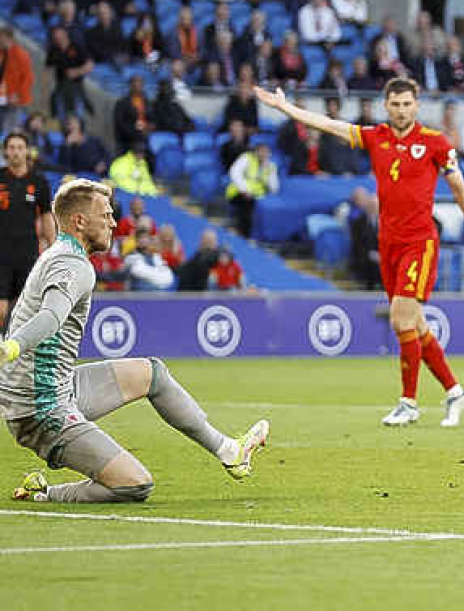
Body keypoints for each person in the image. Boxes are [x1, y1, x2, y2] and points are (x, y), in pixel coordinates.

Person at [0, 179, 269, 503]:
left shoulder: (63, 255)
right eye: (106, 215)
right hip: (40, 407)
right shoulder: (73, 264)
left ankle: (230, 451)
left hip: (58, 387)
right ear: (80, 221)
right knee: (135, 484)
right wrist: (11, 347)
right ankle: (43, 494)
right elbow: (50, 317)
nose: (114, 222)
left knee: (151, 373)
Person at [254, 78, 464, 427]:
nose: (401, 110)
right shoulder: (375, 136)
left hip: (420, 242)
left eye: (407, 104)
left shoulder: (434, 143)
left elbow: (460, 189)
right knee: (415, 324)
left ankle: (408, 403)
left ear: (416, 105)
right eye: (395, 104)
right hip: (389, 243)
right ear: (386, 106)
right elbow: (327, 125)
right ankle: (455, 391)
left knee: (400, 319)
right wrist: (285, 107)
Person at [0, 132, 54, 332]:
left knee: (25, 307)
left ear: (27, 151)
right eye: (11, 147)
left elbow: (47, 216)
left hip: (28, 254)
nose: (15, 152)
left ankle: (15, 352)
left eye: (20, 147)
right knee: (2, 310)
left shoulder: (39, 182)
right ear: (5, 151)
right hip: (2, 254)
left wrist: (54, 247)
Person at [225, 142, 279, 238]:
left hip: (259, 196)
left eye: (266, 152)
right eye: (262, 151)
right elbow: (234, 173)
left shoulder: (271, 166)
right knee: (247, 204)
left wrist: (266, 172)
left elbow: (274, 188)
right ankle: (244, 234)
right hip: (239, 192)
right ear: (256, 151)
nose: (264, 154)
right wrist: (244, 190)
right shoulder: (246, 158)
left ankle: (264, 236)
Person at [0, 26, 34, 134]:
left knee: (9, 128)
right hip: (2, 96)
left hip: (14, 98)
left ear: (9, 38)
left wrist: (18, 95)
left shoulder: (21, 55)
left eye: (1, 37)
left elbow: (28, 78)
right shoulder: (1, 53)